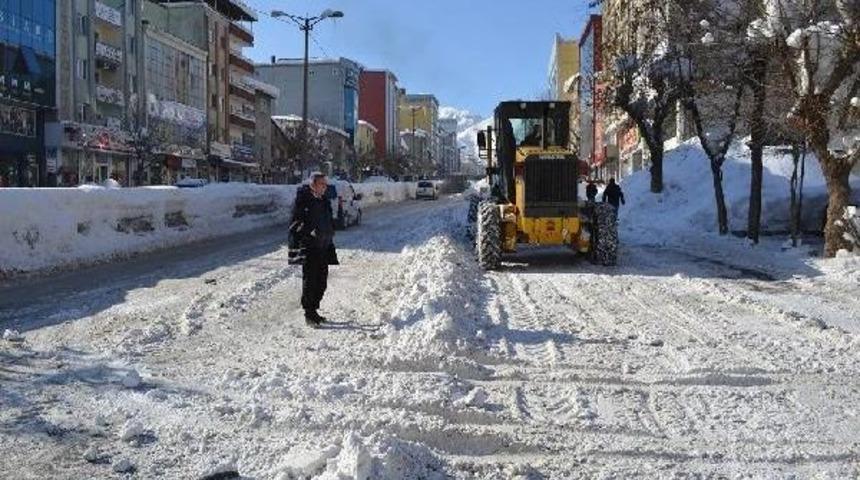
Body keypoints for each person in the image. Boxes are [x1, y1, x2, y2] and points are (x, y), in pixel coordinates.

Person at [289, 172, 339, 327]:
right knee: (310, 281)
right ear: (313, 185)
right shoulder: (303, 201)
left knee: (322, 281)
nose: (325, 187)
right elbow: (295, 223)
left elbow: (328, 218)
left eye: (325, 184)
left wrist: (331, 229)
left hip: (324, 245)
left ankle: (314, 310)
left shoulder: (324, 200)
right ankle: (309, 313)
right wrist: (310, 232)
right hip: (310, 247)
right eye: (322, 184)